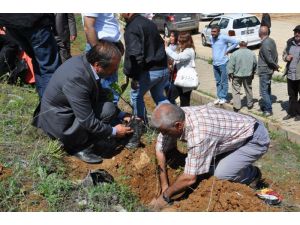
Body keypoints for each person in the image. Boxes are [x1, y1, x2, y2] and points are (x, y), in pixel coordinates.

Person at [149, 103, 269, 210]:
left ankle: (252, 175)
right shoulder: (175, 116)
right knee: (205, 168)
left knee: (219, 174)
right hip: (230, 135)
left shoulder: (199, 135)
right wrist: (165, 186)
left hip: (253, 139)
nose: (163, 135)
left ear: (178, 125)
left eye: (165, 132)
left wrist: (165, 198)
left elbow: (189, 178)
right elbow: (160, 150)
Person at [33, 41, 133, 164]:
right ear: (98, 65)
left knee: (109, 108)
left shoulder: (85, 63)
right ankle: (77, 146)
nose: (115, 71)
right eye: (113, 68)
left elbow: (99, 94)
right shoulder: (77, 78)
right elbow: (88, 121)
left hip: (64, 112)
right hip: (60, 124)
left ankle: (86, 139)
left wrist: (121, 114)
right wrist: (114, 131)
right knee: (107, 110)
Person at [121, 13, 170, 123]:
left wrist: (135, 77)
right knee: (159, 96)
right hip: (162, 68)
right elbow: (160, 44)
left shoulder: (132, 28)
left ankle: (141, 125)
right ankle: (175, 121)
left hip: (149, 71)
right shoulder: (149, 23)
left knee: (135, 96)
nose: (119, 13)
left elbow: (135, 55)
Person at [0, 13, 61, 98]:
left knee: (37, 61)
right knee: (48, 67)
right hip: (34, 21)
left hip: (11, 23)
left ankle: (44, 102)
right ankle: (51, 106)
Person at [82, 13, 124, 106]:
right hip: (102, 47)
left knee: (110, 86)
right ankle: (107, 114)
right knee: (104, 89)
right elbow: (88, 27)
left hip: (108, 46)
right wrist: (100, 53)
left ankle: (111, 112)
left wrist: (118, 42)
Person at [165, 31, 196, 106]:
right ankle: (175, 114)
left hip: (185, 81)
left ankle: (185, 116)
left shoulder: (189, 51)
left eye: (180, 42)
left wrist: (166, 47)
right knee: (170, 98)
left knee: (184, 102)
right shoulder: (183, 50)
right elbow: (177, 60)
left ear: (186, 42)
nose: (178, 43)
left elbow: (177, 57)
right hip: (178, 80)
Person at [210, 25, 238, 105]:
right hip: (215, 64)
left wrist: (227, 50)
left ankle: (223, 97)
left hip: (223, 63)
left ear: (218, 32)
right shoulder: (211, 38)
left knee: (224, 81)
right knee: (218, 81)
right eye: (212, 31)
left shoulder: (223, 37)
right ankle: (219, 97)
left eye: (214, 31)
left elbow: (236, 42)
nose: (212, 33)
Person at [227, 38, 257, 112]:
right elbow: (255, 64)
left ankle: (237, 106)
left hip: (237, 76)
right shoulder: (252, 53)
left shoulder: (235, 53)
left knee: (236, 90)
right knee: (248, 89)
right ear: (247, 43)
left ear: (239, 44)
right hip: (248, 75)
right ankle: (250, 104)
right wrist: (254, 72)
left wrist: (230, 74)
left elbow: (231, 66)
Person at [258, 26, 279, 117]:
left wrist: (276, 66)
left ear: (260, 33)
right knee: (267, 89)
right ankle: (266, 105)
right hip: (269, 70)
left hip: (265, 70)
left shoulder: (264, 44)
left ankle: (268, 110)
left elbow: (269, 59)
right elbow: (276, 54)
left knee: (263, 91)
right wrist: (274, 66)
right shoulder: (271, 40)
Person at [282, 25, 300, 121]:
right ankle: (291, 113)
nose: (297, 33)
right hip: (290, 74)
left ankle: (298, 114)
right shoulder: (290, 42)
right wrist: (286, 58)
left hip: (299, 75)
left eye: (299, 32)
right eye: (295, 32)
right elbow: (284, 54)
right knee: (292, 95)